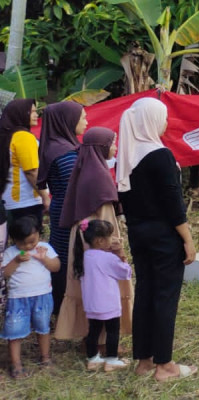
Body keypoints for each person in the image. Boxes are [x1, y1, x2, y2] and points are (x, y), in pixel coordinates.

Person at [115, 98, 197, 381]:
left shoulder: (126, 157)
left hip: (139, 235)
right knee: (165, 298)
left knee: (147, 293)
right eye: (162, 117)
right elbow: (173, 203)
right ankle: (165, 365)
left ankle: (144, 361)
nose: (165, 122)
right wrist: (187, 238)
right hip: (164, 236)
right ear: (150, 121)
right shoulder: (159, 155)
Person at [54, 127, 133, 344]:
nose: (115, 148)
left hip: (84, 238)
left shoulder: (86, 169)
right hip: (99, 240)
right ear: (102, 147)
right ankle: (102, 340)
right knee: (104, 287)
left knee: (87, 287)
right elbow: (103, 216)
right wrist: (115, 245)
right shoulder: (98, 175)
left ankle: (90, 338)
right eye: (113, 143)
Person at [37, 101, 88, 316]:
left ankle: (58, 305)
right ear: (68, 121)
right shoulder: (65, 152)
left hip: (60, 207)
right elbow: (73, 187)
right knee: (69, 255)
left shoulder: (55, 145)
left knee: (61, 252)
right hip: (69, 211)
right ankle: (66, 308)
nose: (86, 122)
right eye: (82, 117)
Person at [1, 216, 60, 379]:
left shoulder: (44, 248)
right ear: (14, 240)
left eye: (32, 241)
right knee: (14, 331)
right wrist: (16, 261)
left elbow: (56, 267)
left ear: (39, 235)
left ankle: (45, 357)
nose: (28, 246)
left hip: (42, 296)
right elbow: (4, 274)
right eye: (23, 243)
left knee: (43, 328)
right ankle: (16, 363)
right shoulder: (11, 253)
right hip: (18, 299)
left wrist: (44, 259)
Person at [73, 219, 131, 372]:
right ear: (100, 240)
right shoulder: (108, 258)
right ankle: (111, 360)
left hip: (91, 304)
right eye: (110, 237)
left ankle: (92, 359)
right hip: (109, 303)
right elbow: (125, 273)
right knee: (113, 331)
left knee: (94, 331)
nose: (112, 240)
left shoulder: (84, 257)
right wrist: (121, 254)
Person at [1, 99, 43, 228]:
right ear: (19, 114)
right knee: (28, 245)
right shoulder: (23, 136)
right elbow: (31, 171)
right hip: (26, 201)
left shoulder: (5, 134)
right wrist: (45, 197)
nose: (36, 115)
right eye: (31, 112)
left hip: (6, 200)